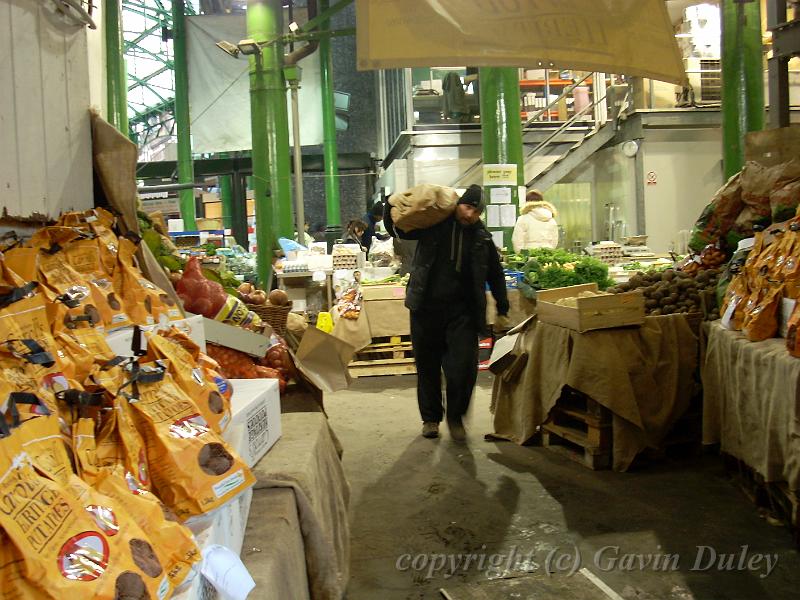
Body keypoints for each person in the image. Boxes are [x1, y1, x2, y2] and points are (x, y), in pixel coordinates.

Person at [384, 184, 510, 441]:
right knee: (427, 366)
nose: (469, 214)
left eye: (475, 211)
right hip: (425, 308)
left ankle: (456, 417)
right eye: (467, 207)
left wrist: (502, 307)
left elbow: (495, 274)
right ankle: (430, 419)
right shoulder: (434, 224)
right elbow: (398, 230)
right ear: (458, 204)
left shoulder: (482, 237)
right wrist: (390, 206)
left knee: (463, 368)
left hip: (463, 313)